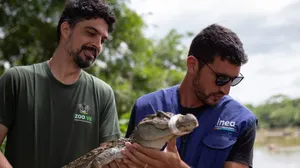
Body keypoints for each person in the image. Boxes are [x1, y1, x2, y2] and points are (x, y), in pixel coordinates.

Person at [0, 0, 121, 167]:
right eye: (91, 33)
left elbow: (109, 160)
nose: (97, 45)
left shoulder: (103, 93)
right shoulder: (17, 80)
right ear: (66, 29)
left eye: (103, 40)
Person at [122, 24, 258, 168]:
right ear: (192, 64)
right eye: (221, 78)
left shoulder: (242, 121)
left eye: (233, 80)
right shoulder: (147, 106)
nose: (226, 90)